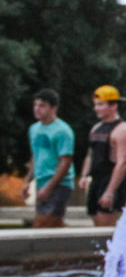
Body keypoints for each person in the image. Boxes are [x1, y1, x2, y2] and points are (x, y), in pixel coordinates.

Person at [78, 85, 126, 227]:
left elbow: (122, 163)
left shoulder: (123, 130)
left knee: (106, 226)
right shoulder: (96, 128)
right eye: (96, 105)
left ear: (113, 106)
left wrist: (110, 192)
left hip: (112, 180)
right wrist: (85, 175)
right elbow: (90, 154)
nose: (96, 108)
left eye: (100, 105)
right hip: (97, 180)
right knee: (96, 223)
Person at [21, 88, 75, 228]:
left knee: (40, 225)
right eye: (35, 105)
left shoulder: (63, 131)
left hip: (58, 184)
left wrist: (49, 187)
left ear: (53, 108)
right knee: (55, 225)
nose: (37, 109)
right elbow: (35, 157)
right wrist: (27, 181)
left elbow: (65, 162)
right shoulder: (34, 129)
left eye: (42, 105)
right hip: (41, 181)